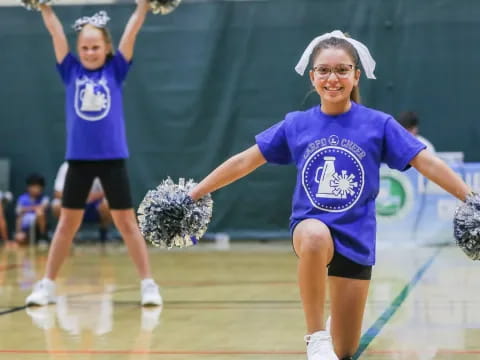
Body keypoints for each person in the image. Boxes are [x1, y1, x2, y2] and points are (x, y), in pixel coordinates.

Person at [186, 31, 471, 360]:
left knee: (346, 351)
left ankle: (334, 333)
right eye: (323, 70)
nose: (332, 78)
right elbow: (244, 161)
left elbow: (427, 162)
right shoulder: (297, 124)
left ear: (355, 75)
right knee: (315, 235)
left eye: (342, 70)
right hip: (310, 231)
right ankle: (316, 335)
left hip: (357, 240)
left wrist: (471, 199)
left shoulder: (378, 124)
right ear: (312, 76)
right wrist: (193, 194)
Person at [26, 1, 162, 307]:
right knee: (66, 225)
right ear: (78, 49)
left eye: (95, 47)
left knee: (126, 222)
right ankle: (47, 284)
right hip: (79, 160)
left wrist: (141, 9)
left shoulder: (116, 70)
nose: (89, 52)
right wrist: (45, 9)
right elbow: (56, 35)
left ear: (106, 48)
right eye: (84, 48)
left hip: (113, 159)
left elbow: (130, 35)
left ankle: (148, 284)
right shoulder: (69, 70)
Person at [52, 162, 111, 243]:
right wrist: (76, 197)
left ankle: (103, 236)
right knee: (56, 206)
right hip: (72, 204)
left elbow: (107, 190)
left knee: (108, 204)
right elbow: (57, 193)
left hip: (93, 204)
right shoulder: (66, 167)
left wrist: (90, 197)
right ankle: (70, 238)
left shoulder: (99, 165)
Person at [15, 174, 50, 246]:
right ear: (28, 187)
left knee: (40, 213)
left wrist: (26, 209)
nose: (35, 189)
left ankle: (42, 237)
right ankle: (20, 233)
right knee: (20, 240)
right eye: (33, 186)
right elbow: (18, 211)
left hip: (37, 227)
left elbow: (43, 207)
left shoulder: (44, 198)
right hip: (26, 227)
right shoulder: (22, 198)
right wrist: (34, 208)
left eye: (38, 187)